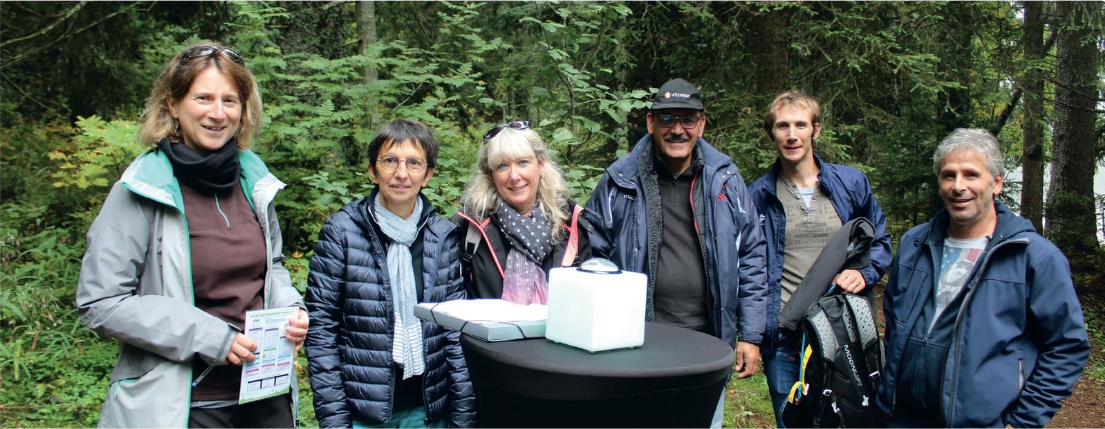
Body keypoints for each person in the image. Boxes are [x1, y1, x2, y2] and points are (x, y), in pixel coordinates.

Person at [75, 41, 308, 428]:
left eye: (230, 101)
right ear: (173, 105)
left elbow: (273, 267)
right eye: (203, 98)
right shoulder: (142, 187)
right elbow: (101, 301)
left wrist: (291, 308)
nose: (218, 114)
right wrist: (209, 336)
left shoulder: (254, 180)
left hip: (264, 395)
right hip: (184, 405)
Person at [582, 78, 768, 427]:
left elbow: (753, 258)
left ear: (701, 124)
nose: (677, 130)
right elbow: (592, 255)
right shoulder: (620, 180)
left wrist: (751, 336)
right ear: (651, 123)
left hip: (707, 340)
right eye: (667, 119)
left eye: (687, 119)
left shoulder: (725, 180)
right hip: (637, 339)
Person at [876, 128, 1090, 428]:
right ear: (939, 184)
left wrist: (1023, 421)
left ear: (996, 183)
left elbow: (1068, 346)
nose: (958, 186)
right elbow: (896, 319)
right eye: (949, 175)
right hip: (901, 417)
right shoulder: (915, 243)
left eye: (971, 175)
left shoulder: (1034, 257)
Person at [305, 119, 476, 428]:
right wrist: (335, 421)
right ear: (372, 170)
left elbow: (454, 333)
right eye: (390, 161)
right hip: (362, 413)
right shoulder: (341, 233)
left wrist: (462, 417)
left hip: (428, 410)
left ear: (428, 175)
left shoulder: (443, 236)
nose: (401, 173)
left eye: (414, 163)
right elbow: (321, 332)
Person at [748, 91, 892, 427]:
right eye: (783, 126)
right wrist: (751, 334)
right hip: (786, 335)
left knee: (850, 417)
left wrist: (866, 273)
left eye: (800, 124)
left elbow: (880, 240)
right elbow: (749, 267)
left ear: (816, 130)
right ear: (772, 134)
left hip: (842, 328)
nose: (792, 134)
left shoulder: (850, 183)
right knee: (795, 420)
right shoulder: (758, 195)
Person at [453, 121, 592, 303]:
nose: (514, 176)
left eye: (523, 162)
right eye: (502, 166)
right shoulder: (469, 227)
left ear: (541, 164)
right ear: (490, 175)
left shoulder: (571, 223)